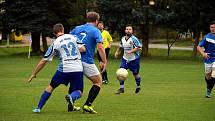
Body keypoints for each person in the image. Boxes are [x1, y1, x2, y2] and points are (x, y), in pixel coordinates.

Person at [27, 23, 86, 113]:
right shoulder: (73, 37)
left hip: (64, 69)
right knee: (79, 91)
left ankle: (38, 108)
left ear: (54, 33)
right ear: (63, 30)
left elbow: (44, 61)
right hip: (77, 68)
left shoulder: (55, 43)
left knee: (51, 87)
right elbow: (83, 49)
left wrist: (34, 74)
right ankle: (71, 97)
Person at [69, 11, 107, 114]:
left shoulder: (77, 28)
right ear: (96, 21)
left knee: (75, 83)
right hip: (86, 61)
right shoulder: (95, 31)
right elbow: (100, 47)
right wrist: (104, 61)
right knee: (98, 81)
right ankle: (87, 105)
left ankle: (70, 105)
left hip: (73, 60)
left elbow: (68, 41)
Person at [115, 25, 142, 94]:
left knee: (135, 74)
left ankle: (138, 87)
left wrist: (131, 51)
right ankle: (121, 89)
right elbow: (120, 46)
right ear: (125, 31)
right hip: (125, 59)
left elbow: (139, 47)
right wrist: (117, 52)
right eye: (127, 29)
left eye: (130, 29)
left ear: (132, 31)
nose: (128, 30)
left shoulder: (134, 39)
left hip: (134, 59)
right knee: (121, 73)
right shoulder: (123, 38)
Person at [197, 21, 215, 98]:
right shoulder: (207, 37)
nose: (213, 29)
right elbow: (198, 47)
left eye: (214, 27)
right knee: (208, 76)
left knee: (214, 73)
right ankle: (209, 86)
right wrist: (203, 53)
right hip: (208, 59)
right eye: (212, 27)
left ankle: (208, 90)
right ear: (210, 28)